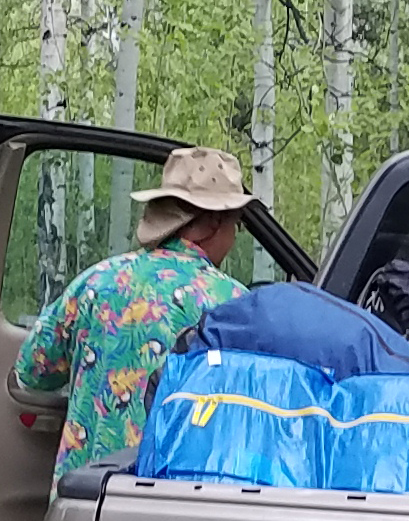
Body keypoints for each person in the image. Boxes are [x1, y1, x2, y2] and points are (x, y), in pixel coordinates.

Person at [14, 145, 256, 479]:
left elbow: (32, 370)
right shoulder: (233, 306)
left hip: (83, 504)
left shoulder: (95, 283)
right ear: (215, 222)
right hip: (165, 509)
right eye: (236, 225)